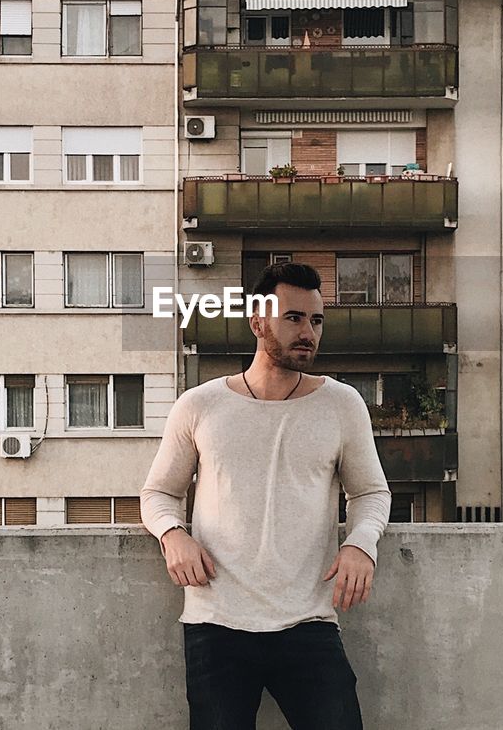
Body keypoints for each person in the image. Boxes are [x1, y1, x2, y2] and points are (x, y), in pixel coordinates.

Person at [141, 262, 391, 730]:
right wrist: (172, 534)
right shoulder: (200, 405)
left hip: (308, 622)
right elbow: (159, 492)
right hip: (216, 623)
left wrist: (361, 543)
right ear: (258, 321)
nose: (308, 333)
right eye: (293, 318)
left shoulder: (342, 404)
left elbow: (371, 493)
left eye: (316, 321)